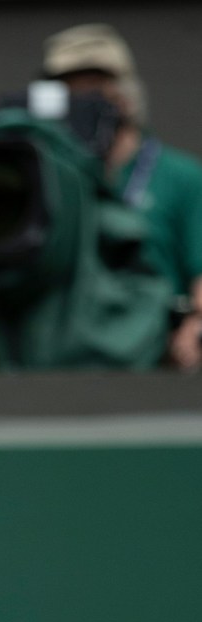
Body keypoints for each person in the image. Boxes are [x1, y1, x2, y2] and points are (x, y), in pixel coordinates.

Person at [41, 22, 202, 371]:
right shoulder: (45, 176)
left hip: (156, 358)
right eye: (72, 93)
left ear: (126, 95)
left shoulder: (181, 176)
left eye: (97, 91)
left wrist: (195, 325)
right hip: (60, 358)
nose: (84, 107)